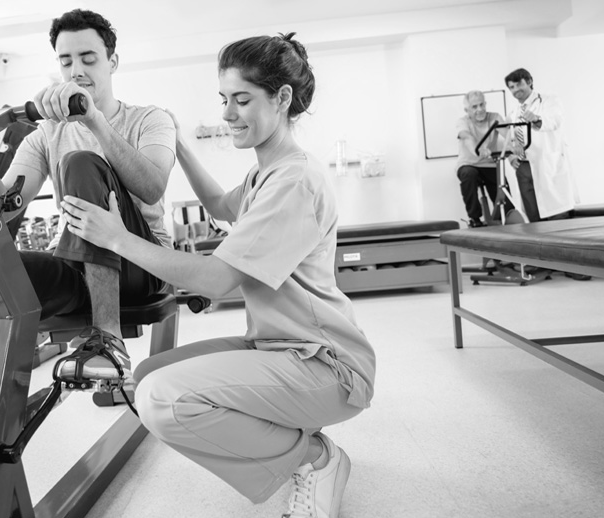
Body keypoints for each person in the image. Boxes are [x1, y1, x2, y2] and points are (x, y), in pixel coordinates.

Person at [60, 32, 375, 518]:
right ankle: (293, 435)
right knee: (147, 377)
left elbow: (216, 280)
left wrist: (117, 237)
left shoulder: (294, 179)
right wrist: (178, 144)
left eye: (242, 99)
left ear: (283, 98)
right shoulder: (263, 173)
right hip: (278, 347)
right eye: (224, 99)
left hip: (325, 365)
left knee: (164, 399)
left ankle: (315, 459)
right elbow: (218, 205)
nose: (228, 113)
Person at [0, 8, 176, 399]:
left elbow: (152, 187)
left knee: (79, 162)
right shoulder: (46, 134)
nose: (76, 69)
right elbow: (2, 207)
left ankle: (107, 337)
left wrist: (93, 121)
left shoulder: (150, 119)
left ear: (112, 62)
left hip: (143, 265)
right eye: (66, 61)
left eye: (88, 58)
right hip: (80, 269)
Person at [504, 68, 578, 222]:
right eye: (511, 87)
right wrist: (510, 156)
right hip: (523, 166)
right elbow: (510, 137)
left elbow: (555, 120)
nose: (515, 90)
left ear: (530, 82)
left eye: (519, 84)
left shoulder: (549, 101)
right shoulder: (514, 112)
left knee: (556, 214)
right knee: (533, 216)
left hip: (547, 162)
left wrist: (536, 119)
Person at [455, 90, 506, 227]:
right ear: (467, 110)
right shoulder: (463, 122)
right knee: (468, 174)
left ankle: (504, 217)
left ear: (485, 104)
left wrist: (514, 146)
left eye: (482, 104)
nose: (480, 109)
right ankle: (474, 218)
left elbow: (507, 134)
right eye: (474, 107)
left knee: (502, 189)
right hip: (468, 163)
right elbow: (467, 137)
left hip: (489, 164)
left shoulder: (495, 117)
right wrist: (478, 150)